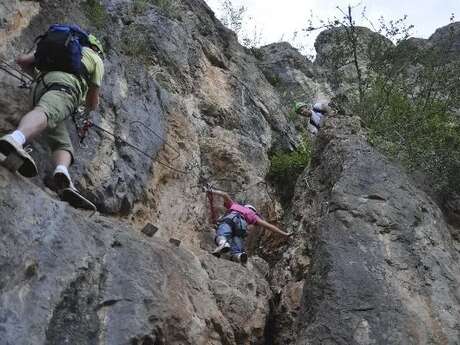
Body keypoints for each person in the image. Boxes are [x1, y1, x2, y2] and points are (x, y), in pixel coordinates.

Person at [0, 25, 104, 208]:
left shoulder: (64, 45)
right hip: (66, 89)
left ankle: (63, 176)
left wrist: (40, 75)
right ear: (98, 49)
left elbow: (22, 61)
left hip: (39, 87)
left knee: (61, 141)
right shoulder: (95, 58)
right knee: (46, 112)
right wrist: (85, 109)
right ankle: (15, 139)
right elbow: (93, 101)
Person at [207, 189, 290, 264]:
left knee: (222, 233)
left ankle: (223, 243)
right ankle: (239, 256)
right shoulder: (254, 216)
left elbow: (224, 194)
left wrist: (211, 191)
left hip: (231, 218)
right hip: (242, 226)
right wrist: (284, 234)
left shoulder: (235, 205)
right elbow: (270, 227)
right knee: (237, 241)